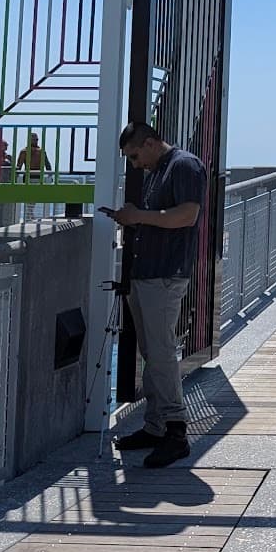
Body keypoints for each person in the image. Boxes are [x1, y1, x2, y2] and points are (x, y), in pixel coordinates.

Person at [99, 122, 205, 468]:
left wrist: (139, 215)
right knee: (151, 354)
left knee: (161, 353)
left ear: (149, 143)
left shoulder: (183, 165)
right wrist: (131, 219)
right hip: (146, 274)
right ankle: (156, 426)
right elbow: (158, 217)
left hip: (165, 275)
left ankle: (176, 431)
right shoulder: (158, 170)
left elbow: (187, 216)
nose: (134, 164)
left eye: (134, 155)